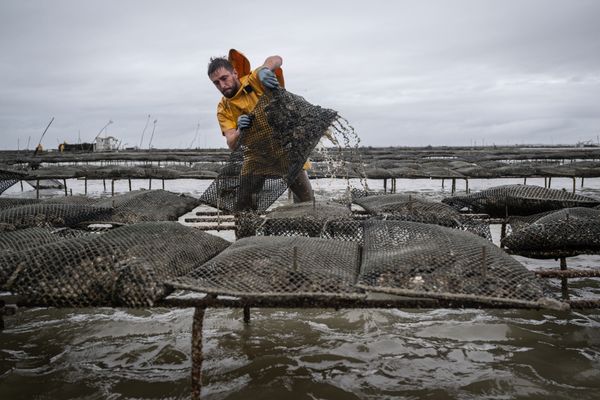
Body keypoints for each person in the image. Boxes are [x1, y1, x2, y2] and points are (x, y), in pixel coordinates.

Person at [207, 50, 313, 209]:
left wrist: (265, 70)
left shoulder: (254, 80)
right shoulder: (223, 108)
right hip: (256, 157)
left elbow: (276, 59)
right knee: (243, 207)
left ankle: (308, 230)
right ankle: (247, 233)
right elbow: (231, 143)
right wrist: (239, 131)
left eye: (224, 78)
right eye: (216, 82)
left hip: (286, 149)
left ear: (234, 73)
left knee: (306, 202)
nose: (222, 85)